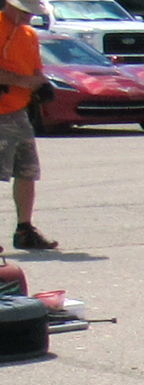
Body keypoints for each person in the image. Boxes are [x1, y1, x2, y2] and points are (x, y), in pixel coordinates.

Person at [0, 0, 58, 252]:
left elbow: (36, 70)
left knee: (27, 170)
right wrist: (25, 82)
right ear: (10, 6)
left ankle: (24, 229)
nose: (29, 17)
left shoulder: (29, 35)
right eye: (25, 12)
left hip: (18, 112)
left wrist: (43, 85)